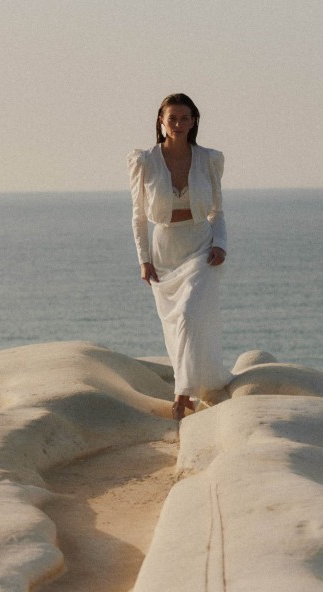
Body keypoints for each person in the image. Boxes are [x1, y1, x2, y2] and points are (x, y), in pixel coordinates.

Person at [127, 93, 233, 420]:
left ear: (194, 121)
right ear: (161, 121)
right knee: (175, 325)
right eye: (171, 118)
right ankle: (193, 384)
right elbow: (138, 216)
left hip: (201, 245)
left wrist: (221, 243)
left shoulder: (209, 160)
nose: (177, 124)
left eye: (184, 118)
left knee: (188, 313)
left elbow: (217, 210)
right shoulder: (144, 161)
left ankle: (182, 395)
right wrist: (143, 258)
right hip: (165, 251)